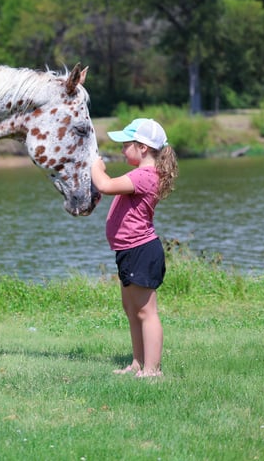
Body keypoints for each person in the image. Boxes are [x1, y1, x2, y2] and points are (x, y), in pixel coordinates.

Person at [91, 118, 178, 378]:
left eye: (125, 144)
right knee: (132, 310)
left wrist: (95, 166)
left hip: (141, 250)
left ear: (142, 147)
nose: (121, 149)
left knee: (146, 312)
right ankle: (138, 363)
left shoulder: (144, 176)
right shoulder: (142, 174)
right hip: (129, 251)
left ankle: (152, 370)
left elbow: (105, 185)